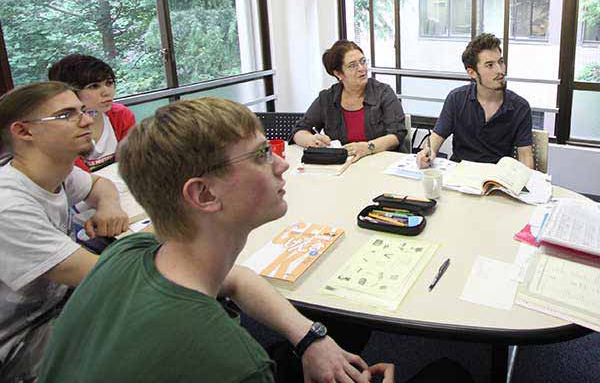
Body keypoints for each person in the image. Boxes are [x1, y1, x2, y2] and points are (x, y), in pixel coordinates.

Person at [38, 97, 394, 383]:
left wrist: (311, 338)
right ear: (204, 195)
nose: (281, 165)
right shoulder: (235, 363)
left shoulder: (130, 251)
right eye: (260, 155)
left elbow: (236, 277)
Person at [0, 81, 129, 383]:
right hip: (20, 341)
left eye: (83, 111)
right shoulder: (8, 205)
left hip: (59, 305)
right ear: (23, 131)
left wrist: (109, 206)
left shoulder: (56, 170)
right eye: (66, 115)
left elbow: (100, 185)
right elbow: (103, 276)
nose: (86, 120)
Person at [417, 33, 534, 168]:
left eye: (500, 62)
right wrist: (426, 153)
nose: (500, 70)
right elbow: (434, 141)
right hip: (459, 175)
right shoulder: (456, 99)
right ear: (472, 73)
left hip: (495, 179)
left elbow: (526, 157)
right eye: (490, 65)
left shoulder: (520, 107)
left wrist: (524, 182)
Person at [291, 40, 407, 162]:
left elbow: (397, 134)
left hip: (381, 163)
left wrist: (369, 147)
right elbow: (299, 131)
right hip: (343, 165)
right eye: (352, 65)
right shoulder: (327, 98)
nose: (361, 68)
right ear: (338, 74)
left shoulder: (383, 93)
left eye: (363, 61)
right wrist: (313, 140)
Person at [48, 54, 135, 171]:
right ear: (70, 91)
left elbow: (132, 162)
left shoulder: (121, 115)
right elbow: (77, 180)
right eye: (94, 86)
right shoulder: (59, 128)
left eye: (109, 83)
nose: (106, 92)